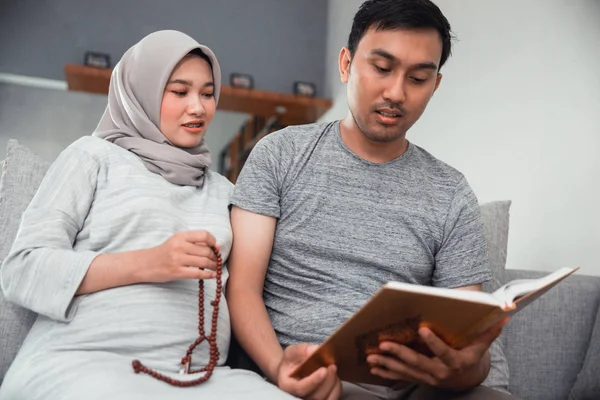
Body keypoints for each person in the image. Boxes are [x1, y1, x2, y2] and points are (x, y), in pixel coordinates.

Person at [227, 1, 516, 399]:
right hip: (303, 373)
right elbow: (241, 287)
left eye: (418, 78)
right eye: (382, 68)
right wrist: (280, 369)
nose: (396, 93)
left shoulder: (451, 193)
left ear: (435, 85)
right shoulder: (280, 154)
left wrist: (465, 369)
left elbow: (469, 340)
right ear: (346, 64)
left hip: (411, 386)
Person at [0, 30, 295, 400]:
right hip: (83, 361)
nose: (198, 107)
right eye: (179, 91)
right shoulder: (92, 157)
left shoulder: (224, 191)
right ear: (141, 92)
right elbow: (22, 269)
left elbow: (247, 289)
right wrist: (148, 263)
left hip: (196, 376)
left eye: (207, 93)